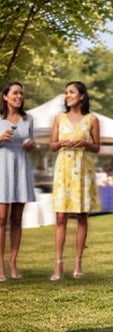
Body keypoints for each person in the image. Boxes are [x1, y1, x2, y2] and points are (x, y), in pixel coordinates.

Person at [50, 81, 101, 281]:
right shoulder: (59, 119)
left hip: (82, 170)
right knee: (60, 217)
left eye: (71, 92)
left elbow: (97, 147)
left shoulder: (92, 119)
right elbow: (52, 146)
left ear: (81, 96)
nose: (67, 95)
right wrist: (60, 142)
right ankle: (58, 264)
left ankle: (78, 263)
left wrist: (85, 143)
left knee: (81, 217)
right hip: (63, 170)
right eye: (66, 93)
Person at [0, 82, 37, 281]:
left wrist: (32, 145)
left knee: (16, 220)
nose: (19, 96)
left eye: (21, 93)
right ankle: (0, 267)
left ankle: (13, 263)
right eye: (15, 93)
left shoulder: (27, 118)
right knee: (1, 219)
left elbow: (30, 143)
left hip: (21, 168)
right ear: (5, 96)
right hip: (2, 168)